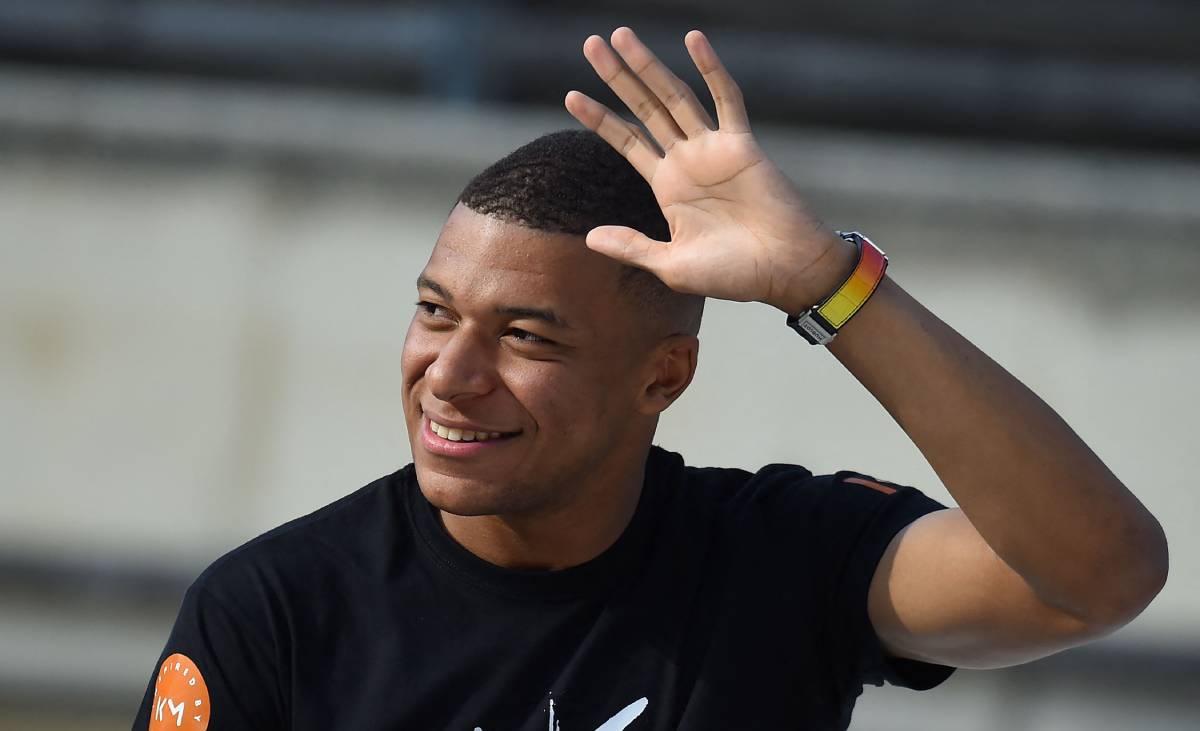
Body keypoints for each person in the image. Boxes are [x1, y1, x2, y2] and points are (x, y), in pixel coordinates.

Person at [133, 28, 1168, 731]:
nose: (450, 373)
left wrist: (828, 283)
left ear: (662, 376)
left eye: (525, 337)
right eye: (435, 311)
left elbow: (1100, 573)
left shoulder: (782, 557)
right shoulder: (273, 609)